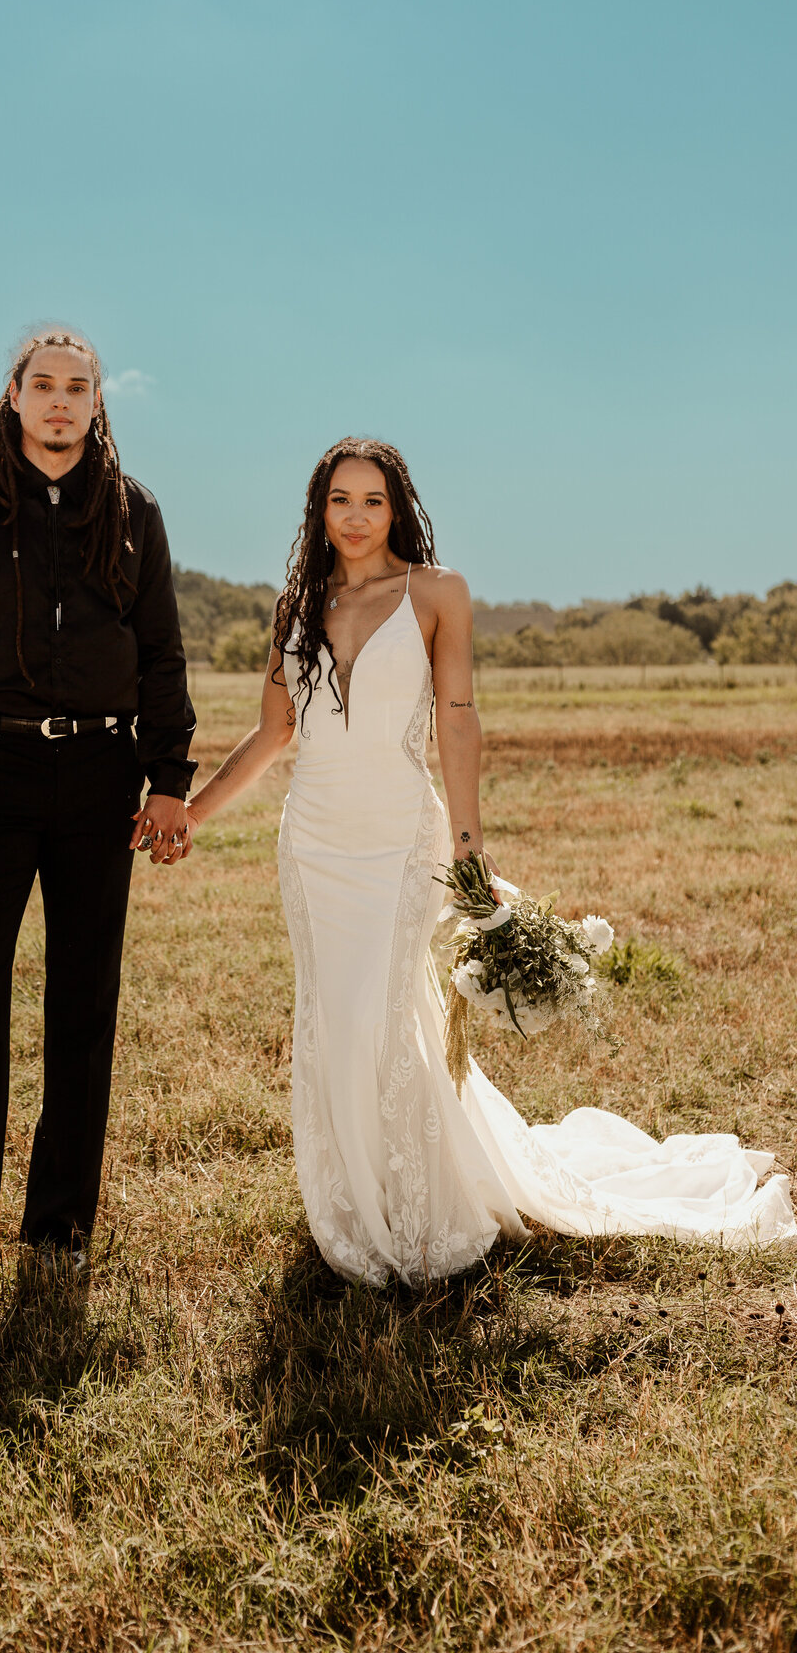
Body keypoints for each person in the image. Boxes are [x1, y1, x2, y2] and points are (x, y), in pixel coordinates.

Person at [186, 438, 796, 1282]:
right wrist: (191, 811)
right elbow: (272, 734)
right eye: (340, 501)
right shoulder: (298, 606)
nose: (356, 518)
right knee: (331, 1017)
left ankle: (423, 1202)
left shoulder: (439, 593)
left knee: (382, 1012)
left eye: (372, 501)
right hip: (314, 843)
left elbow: (458, 717)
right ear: (317, 512)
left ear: (397, 508)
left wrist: (468, 842)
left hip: (400, 837)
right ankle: (356, 1200)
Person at [0, 326, 195, 1304]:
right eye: (44, 386)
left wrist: (168, 778)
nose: (61, 402)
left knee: (84, 1006)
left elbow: (161, 654)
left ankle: (59, 1227)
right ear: (13, 396)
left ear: (98, 404)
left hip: (102, 774)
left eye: (79, 388)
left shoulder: (134, 514)